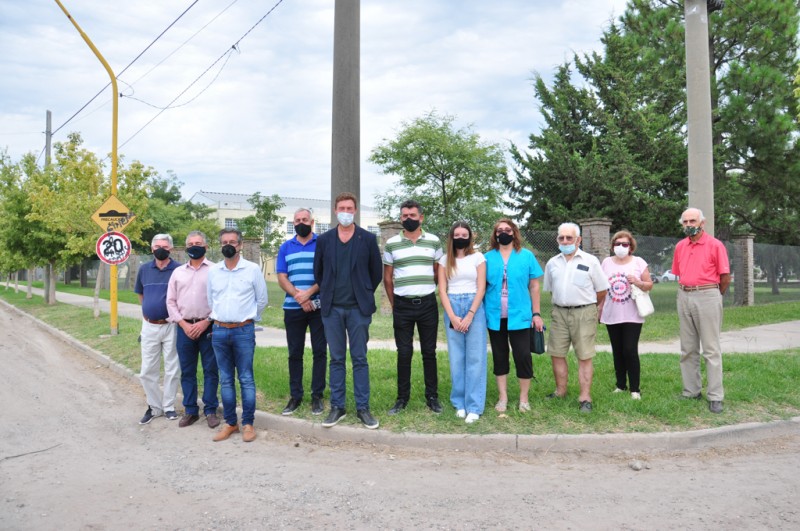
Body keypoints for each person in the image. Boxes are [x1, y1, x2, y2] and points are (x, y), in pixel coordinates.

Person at [313, 192, 383, 429]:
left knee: (360, 359)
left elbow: (376, 273)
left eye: (350, 208)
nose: (345, 211)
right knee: (337, 358)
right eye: (341, 207)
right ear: (335, 211)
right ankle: (337, 407)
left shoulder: (368, 239)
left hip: (358, 310)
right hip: (332, 309)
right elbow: (318, 273)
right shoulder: (324, 241)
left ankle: (363, 408)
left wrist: (363, 291)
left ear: (355, 211)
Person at [383, 200, 444, 415]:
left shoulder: (434, 242)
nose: (408, 219)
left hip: (427, 304)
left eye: (412, 215)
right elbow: (388, 278)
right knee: (404, 353)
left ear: (421, 217)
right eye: (404, 216)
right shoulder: (392, 244)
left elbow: (438, 273)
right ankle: (402, 399)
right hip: (402, 305)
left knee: (429, 352)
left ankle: (432, 397)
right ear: (401, 218)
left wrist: (428, 291)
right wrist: (395, 303)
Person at [207, 228, 268, 442]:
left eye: (233, 241)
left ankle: (248, 424)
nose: (228, 245)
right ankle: (231, 423)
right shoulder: (214, 271)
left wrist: (248, 319)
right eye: (224, 241)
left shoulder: (252, 270)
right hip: (219, 330)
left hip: (243, 330)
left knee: (246, 378)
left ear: (240, 245)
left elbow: (262, 300)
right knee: (225, 379)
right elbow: (210, 300)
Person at [543, 222, 609, 413]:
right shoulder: (552, 263)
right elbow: (551, 290)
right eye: (561, 238)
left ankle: (585, 398)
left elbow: (602, 290)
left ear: (578, 240)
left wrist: (588, 307)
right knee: (556, 353)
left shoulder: (591, 261)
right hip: (559, 313)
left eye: (569, 238)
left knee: (584, 356)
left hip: (584, 312)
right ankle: (560, 391)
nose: (565, 241)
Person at [672, 207, 731, 414]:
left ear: (702, 223)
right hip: (684, 295)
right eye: (685, 222)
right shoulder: (680, 246)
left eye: (692, 221)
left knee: (711, 349)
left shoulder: (715, 245)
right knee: (687, 348)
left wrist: (714, 296)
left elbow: (725, 277)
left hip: (707, 295)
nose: (689, 225)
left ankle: (715, 396)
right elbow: (679, 273)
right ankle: (691, 390)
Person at [484, 219, 544, 413]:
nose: (503, 233)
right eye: (499, 230)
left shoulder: (526, 256)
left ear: (514, 232)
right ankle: (503, 397)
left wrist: (536, 313)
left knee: (523, 356)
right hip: (495, 317)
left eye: (507, 230)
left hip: (520, 316)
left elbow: (534, 286)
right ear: (495, 235)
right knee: (500, 356)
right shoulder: (486, 258)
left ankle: (524, 398)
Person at [166, 231, 220, 429]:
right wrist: (184, 324)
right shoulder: (178, 273)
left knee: (210, 370)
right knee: (187, 371)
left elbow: (220, 300)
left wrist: (206, 322)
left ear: (205, 246)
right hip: (184, 328)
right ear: (186, 247)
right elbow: (170, 301)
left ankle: (211, 410)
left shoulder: (216, 270)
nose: (194, 246)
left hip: (209, 327)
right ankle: (190, 410)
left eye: (198, 243)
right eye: (190, 243)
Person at [276, 208, 327, 416]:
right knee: (294, 353)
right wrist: (299, 296)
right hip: (293, 308)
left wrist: (310, 294)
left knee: (319, 352)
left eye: (304, 219)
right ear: (293, 223)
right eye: (297, 220)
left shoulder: (322, 244)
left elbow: (326, 274)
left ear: (312, 222)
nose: (301, 223)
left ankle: (317, 396)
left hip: (318, 307)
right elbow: (282, 276)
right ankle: (295, 396)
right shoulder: (286, 247)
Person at [437, 221, 487, 423]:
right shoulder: (444, 260)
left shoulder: (478, 258)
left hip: (473, 306)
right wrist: (453, 316)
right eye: (456, 234)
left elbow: (481, 287)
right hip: (452, 306)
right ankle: (459, 403)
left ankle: (474, 406)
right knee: (457, 358)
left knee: (475, 358)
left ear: (469, 237)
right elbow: (442, 289)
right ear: (451, 237)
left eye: (464, 234)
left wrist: (469, 315)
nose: (460, 237)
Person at [598, 230, 653, 400]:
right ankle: (620, 384)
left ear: (630, 247)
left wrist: (637, 282)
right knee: (617, 350)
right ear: (613, 246)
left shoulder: (638, 262)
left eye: (625, 244)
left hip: (632, 314)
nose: (620, 247)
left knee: (629, 349)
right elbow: (600, 287)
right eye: (617, 244)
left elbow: (649, 284)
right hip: (611, 312)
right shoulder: (606, 262)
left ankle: (635, 389)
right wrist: (598, 309)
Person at [135, 234, 181, 425]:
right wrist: (149, 311)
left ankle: (169, 406)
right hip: (149, 326)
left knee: (172, 368)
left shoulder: (178, 270)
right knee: (147, 370)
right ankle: (154, 407)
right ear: (151, 248)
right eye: (157, 246)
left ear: (170, 248)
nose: (160, 249)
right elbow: (140, 293)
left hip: (171, 325)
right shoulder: (144, 269)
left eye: (164, 246)